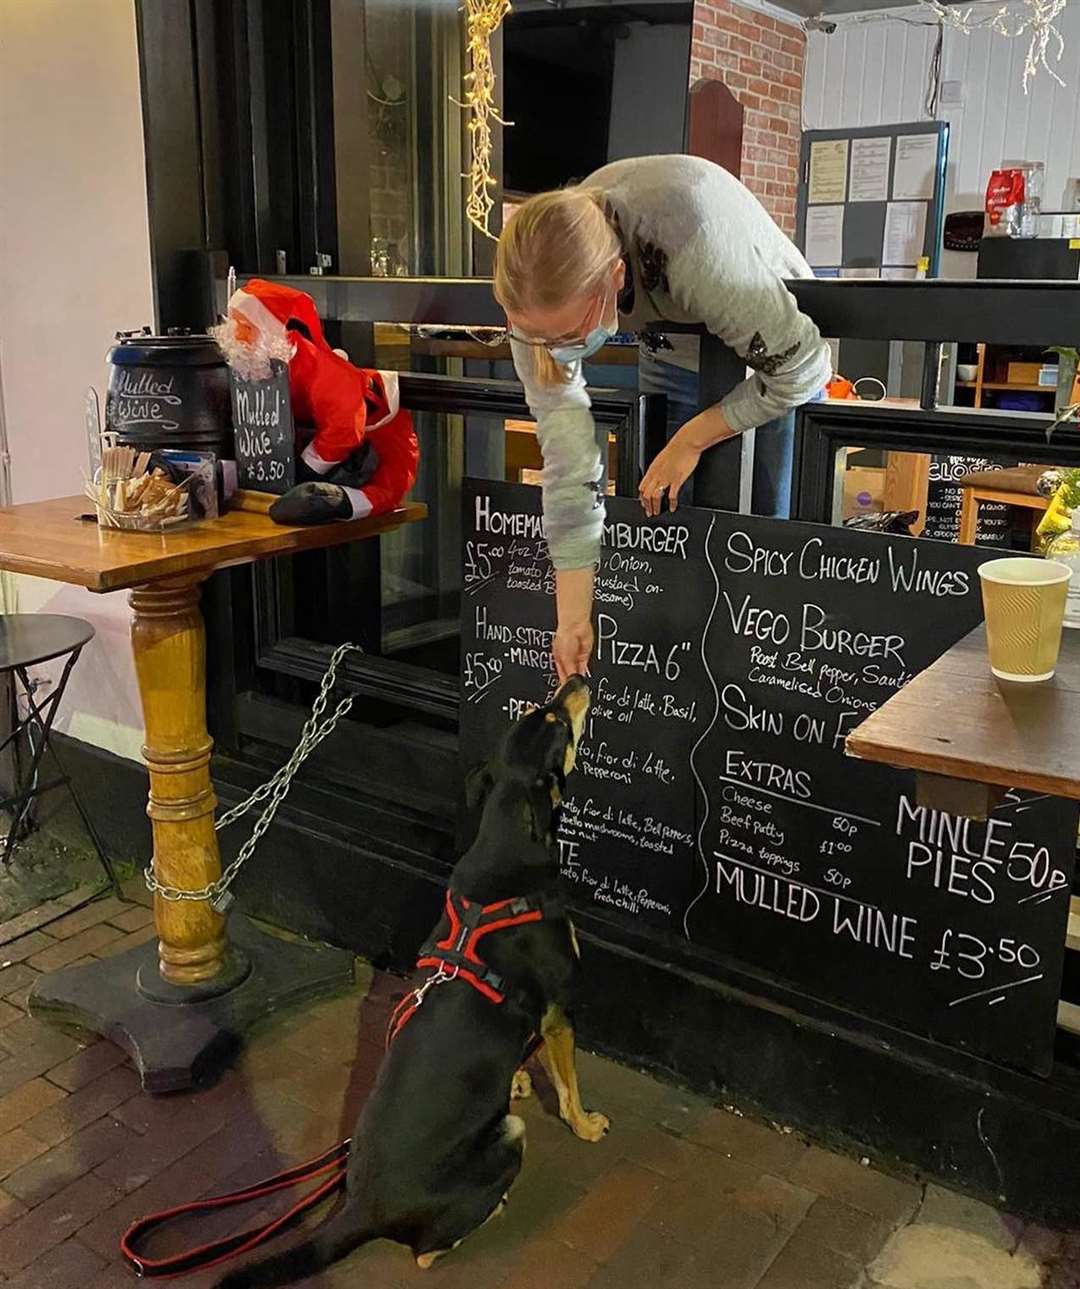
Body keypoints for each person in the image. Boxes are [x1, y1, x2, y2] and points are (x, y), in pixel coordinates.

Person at [493, 154, 831, 683]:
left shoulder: (694, 243)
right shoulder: (535, 295)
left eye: (567, 336)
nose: (556, 351)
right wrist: (573, 617)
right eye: (540, 337)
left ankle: (758, 700)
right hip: (670, 343)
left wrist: (692, 439)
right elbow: (569, 465)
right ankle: (677, 695)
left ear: (616, 275)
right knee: (666, 534)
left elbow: (804, 370)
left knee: (764, 544)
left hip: (766, 353)